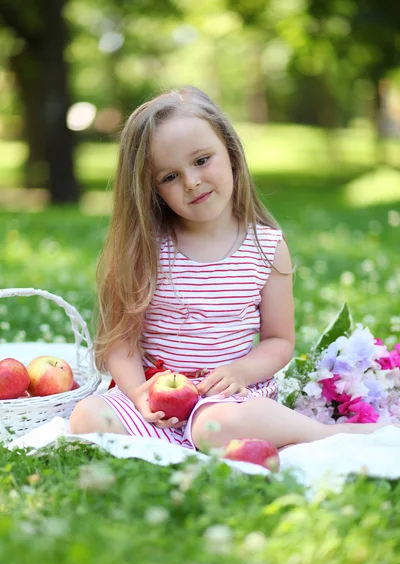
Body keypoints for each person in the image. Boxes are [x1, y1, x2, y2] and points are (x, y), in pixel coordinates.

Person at [69, 85, 388, 450]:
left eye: (202, 160)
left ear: (231, 153)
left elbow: (279, 341)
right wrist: (139, 394)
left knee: (215, 426)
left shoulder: (265, 248)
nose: (192, 182)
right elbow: (121, 343)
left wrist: (241, 372)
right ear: (152, 189)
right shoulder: (144, 250)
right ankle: (169, 442)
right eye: (169, 177)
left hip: (226, 401)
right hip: (154, 404)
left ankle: (326, 435)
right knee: (87, 416)